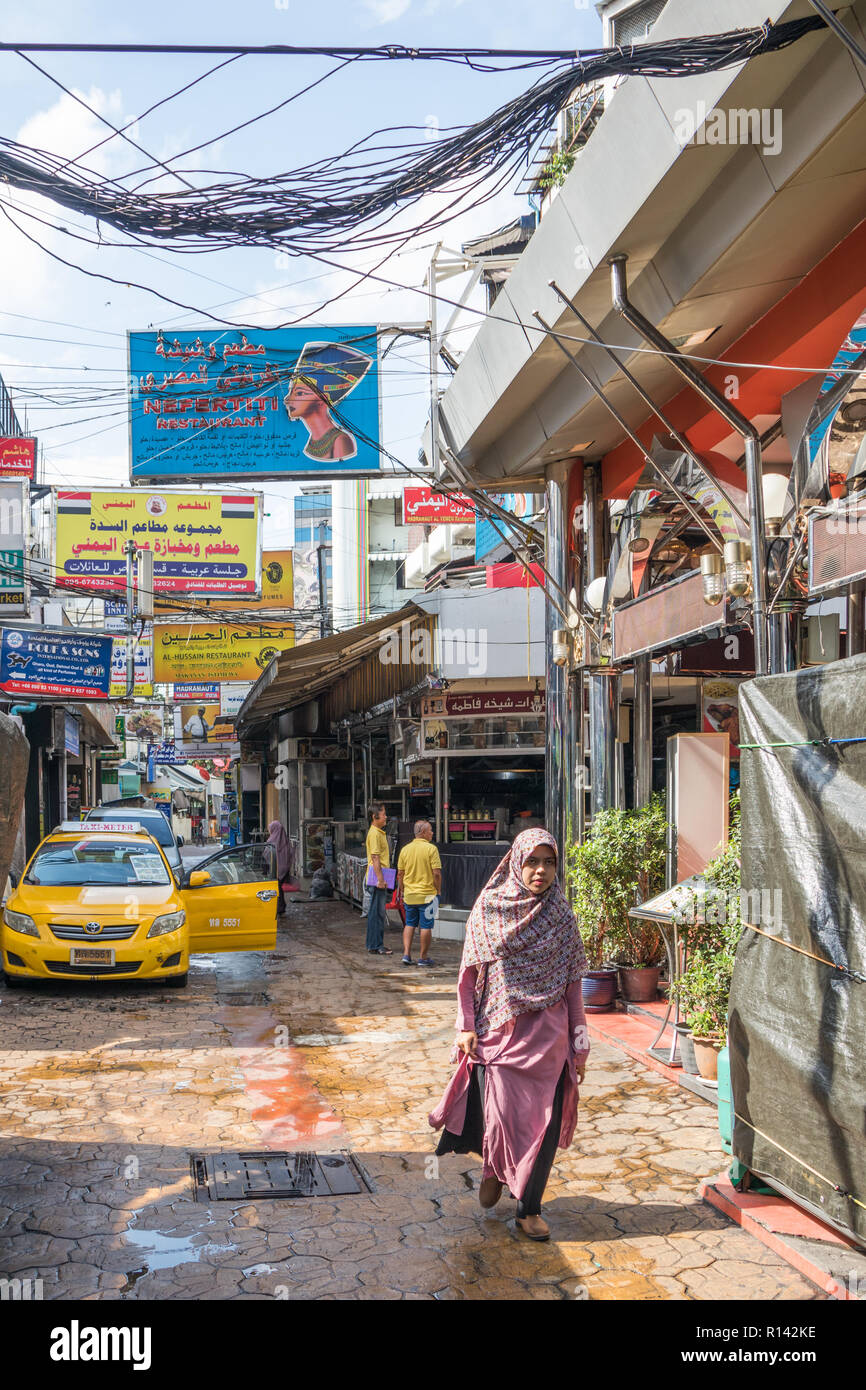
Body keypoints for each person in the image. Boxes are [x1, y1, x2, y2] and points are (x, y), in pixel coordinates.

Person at [429, 828, 589, 1242]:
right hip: (500, 1036)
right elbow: (468, 976)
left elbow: (573, 987)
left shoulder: (562, 916)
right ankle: (494, 1169)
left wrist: (580, 1041)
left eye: (549, 862)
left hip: (550, 1044)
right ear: (517, 863)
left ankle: (528, 1209)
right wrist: (465, 1025)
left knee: (545, 1126)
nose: (540, 871)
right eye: (532, 862)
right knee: (500, 1120)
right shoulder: (489, 908)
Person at [396, 820, 441, 967]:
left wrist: (402, 890)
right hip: (428, 895)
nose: (432, 833)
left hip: (410, 895)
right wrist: (438, 890)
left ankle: (407, 954)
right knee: (426, 926)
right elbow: (436, 874)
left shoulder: (405, 850)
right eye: (431, 830)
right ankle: (423, 957)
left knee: (409, 924)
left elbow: (400, 874)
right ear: (423, 833)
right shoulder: (431, 849)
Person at [365, 803, 392, 956]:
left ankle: (373, 944)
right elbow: (375, 858)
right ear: (375, 816)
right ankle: (376, 945)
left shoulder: (378, 832)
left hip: (379, 875)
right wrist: (381, 880)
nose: (385, 817)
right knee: (377, 913)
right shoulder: (375, 834)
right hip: (377, 877)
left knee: (376, 912)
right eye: (383, 814)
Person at [263, 819, 293, 915]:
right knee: (278, 887)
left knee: (277, 887)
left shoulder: (272, 840)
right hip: (285, 868)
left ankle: (280, 907)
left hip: (276, 868)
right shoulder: (285, 840)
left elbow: (266, 854)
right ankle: (281, 905)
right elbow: (290, 854)